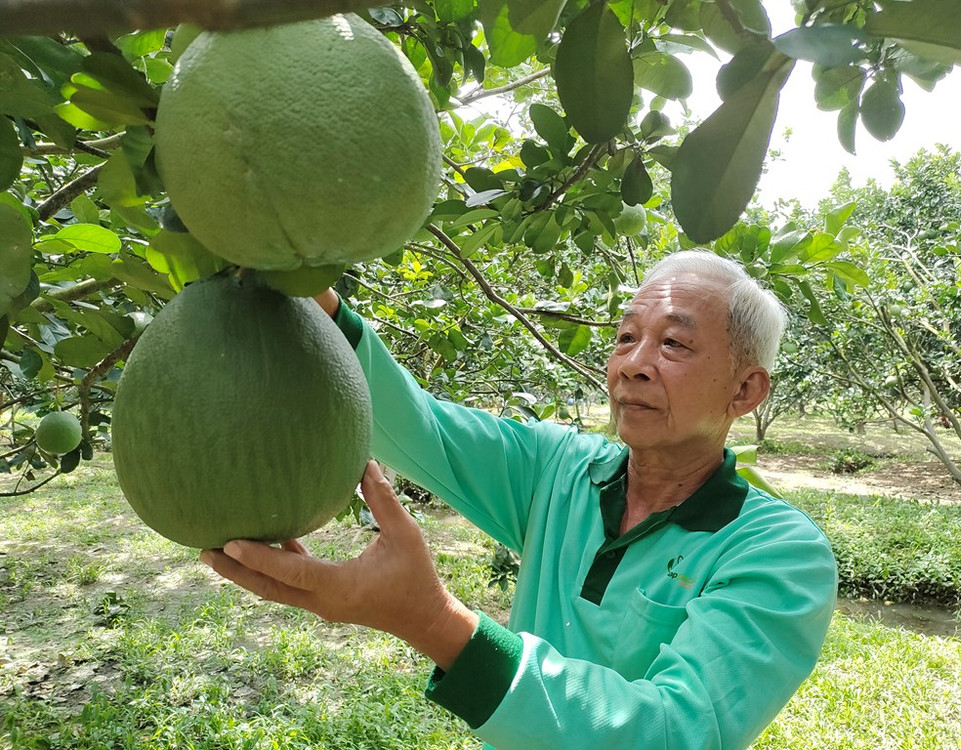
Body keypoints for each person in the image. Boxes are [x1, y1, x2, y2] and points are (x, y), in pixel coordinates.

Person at [201, 249, 838, 749]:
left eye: (674, 343)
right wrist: (316, 298)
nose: (633, 365)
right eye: (625, 338)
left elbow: (671, 731)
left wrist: (431, 621)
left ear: (745, 390)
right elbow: (418, 427)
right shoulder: (560, 469)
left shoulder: (780, 556)